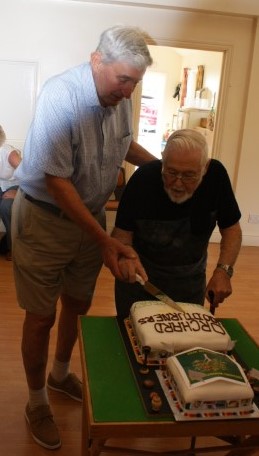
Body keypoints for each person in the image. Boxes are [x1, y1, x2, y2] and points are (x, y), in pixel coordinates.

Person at [11, 25, 154, 450]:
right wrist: (106, 240)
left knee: (78, 303)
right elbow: (56, 180)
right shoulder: (62, 96)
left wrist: (163, 168)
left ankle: (58, 376)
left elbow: (125, 145)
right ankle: (37, 401)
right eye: (123, 80)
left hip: (88, 220)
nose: (128, 92)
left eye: (135, 82)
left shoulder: (119, 98)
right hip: (45, 220)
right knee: (41, 316)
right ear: (97, 61)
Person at [111, 128, 242, 319]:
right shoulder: (142, 181)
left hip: (190, 284)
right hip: (139, 282)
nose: (178, 184)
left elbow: (231, 229)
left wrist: (224, 271)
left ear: (204, 168)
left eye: (189, 175)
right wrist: (124, 258)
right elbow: (121, 236)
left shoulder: (216, 178)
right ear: (163, 160)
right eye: (171, 172)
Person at [0, 125, 21, 260]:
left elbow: (30, 175)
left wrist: (18, 194)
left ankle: (15, 248)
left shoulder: (8, 152)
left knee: (6, 207)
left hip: (15, 185)